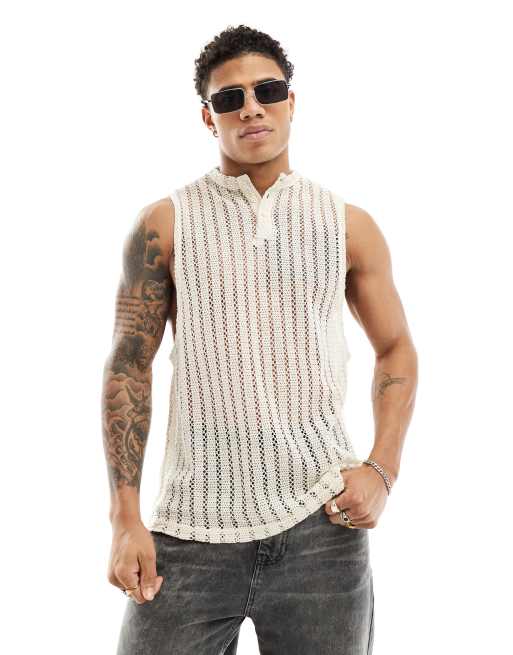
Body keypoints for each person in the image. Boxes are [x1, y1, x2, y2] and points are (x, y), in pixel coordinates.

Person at [102, 24, 418, 655]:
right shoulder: (164, 224)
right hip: (191, 529)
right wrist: (124, 517)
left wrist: (382, 469)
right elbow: (129, 368)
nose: (251, 108)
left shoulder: (348, 226)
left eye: (267, 90)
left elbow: (397, 350)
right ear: (208, 116)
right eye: (230, 97)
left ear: (291, 102)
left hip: (321, 528)